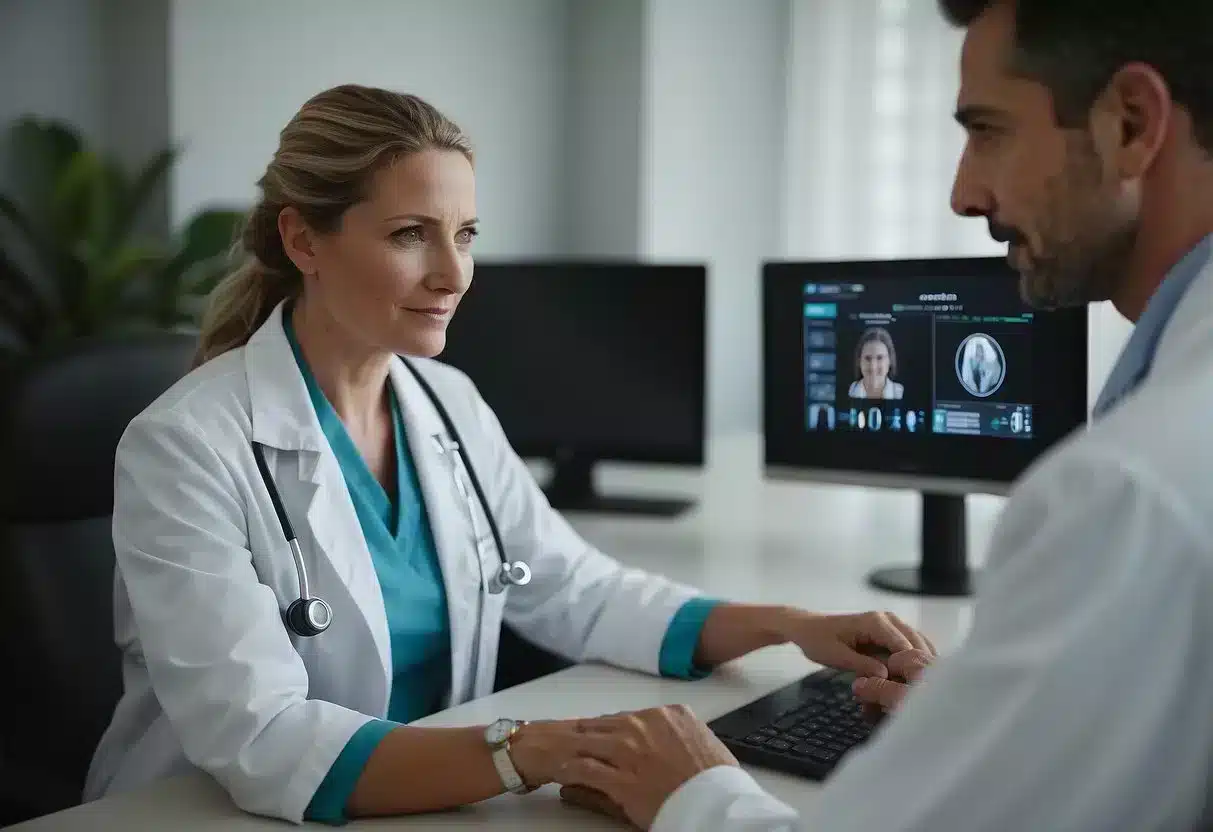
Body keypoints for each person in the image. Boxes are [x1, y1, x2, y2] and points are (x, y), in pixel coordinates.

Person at [81, 83, 934, 825]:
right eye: (411, 234)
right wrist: (534, 750)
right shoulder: (185, 446)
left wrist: (789, 625)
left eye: (465, 233)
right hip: (205, 814)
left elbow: (575, 589)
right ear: (304, 241)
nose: (454, 274)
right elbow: (263, 737)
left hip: (429, 800)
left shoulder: (445, 402)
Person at [555, 1, 1213, 829]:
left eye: (988, 130)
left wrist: (693, 794)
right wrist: (1003, 715)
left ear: (1131, 124)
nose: (962, 193)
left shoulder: (1128, 489)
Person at [846, 327, 904, 399]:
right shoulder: (847, 393)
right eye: (867, 358)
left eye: (880, 358)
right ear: (859, 361)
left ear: (890, 360)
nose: (873, 366)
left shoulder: (901, 393)